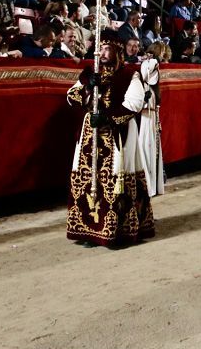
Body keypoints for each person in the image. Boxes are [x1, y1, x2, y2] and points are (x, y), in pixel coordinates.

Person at [65, 32, 155, 247]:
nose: (102, 53)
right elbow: (71, 95)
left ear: (116, 51)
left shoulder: (129, 74)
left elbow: (134, 104)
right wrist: (88, 88)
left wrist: (107, 118)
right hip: (90, 136)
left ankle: (118, 231)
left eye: (107, 49)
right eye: (100, 48)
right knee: (89, 179)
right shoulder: (90, 73)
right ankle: (90, 229)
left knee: (115, 181)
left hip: (116, 135)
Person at [130, 41, 167, 197]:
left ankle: (152, 183)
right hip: (147, 106)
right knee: (147, 142)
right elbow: (147, 77)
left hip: (150, 106)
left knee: (150, 141)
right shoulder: (151, 62)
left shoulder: (149, 62)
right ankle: (148, 183)